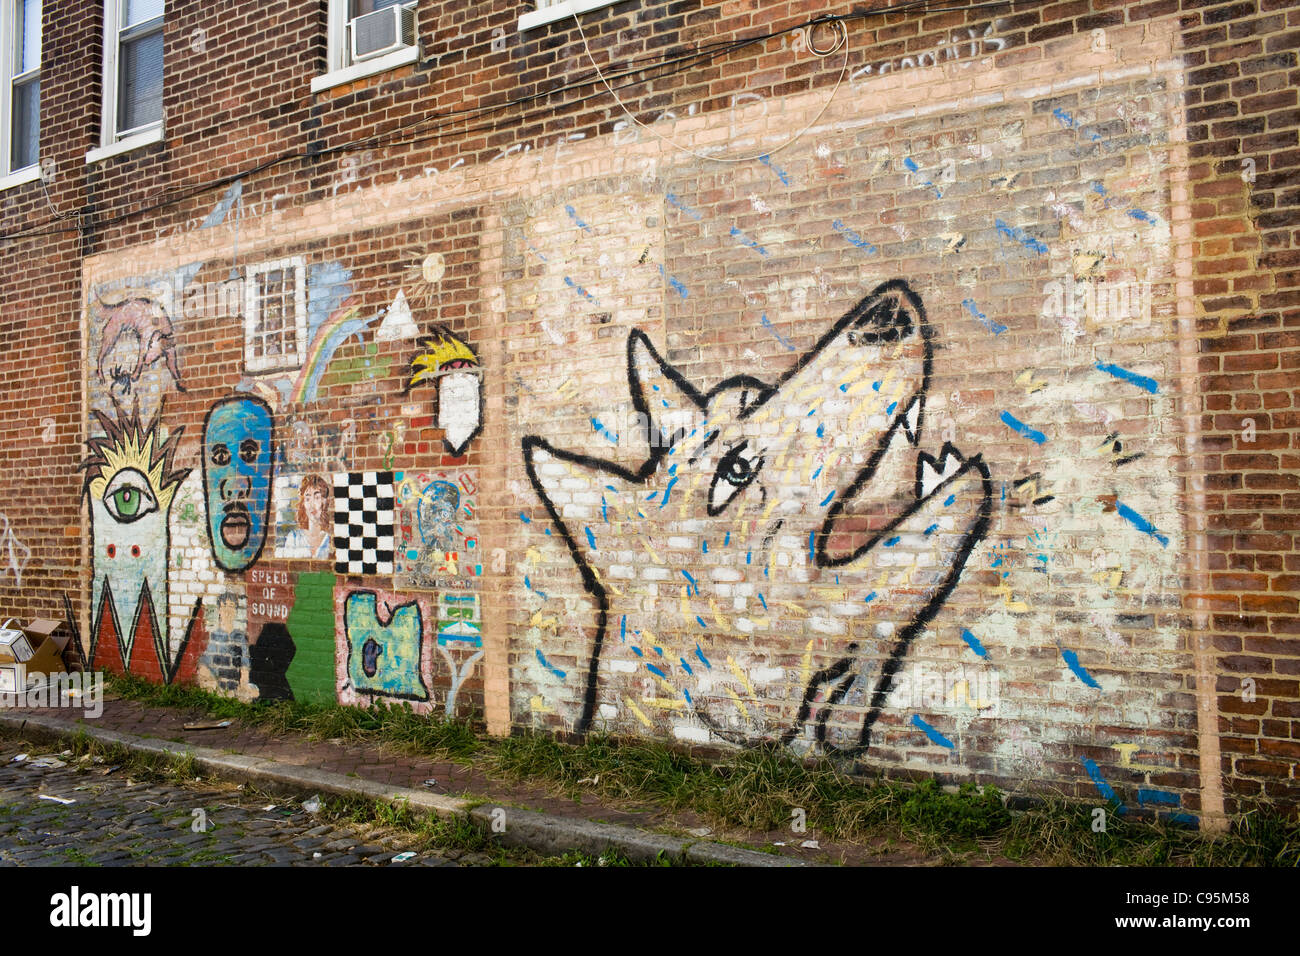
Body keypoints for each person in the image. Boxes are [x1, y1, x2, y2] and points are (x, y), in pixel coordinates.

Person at [282, 474, 331, 559]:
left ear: (324, 502)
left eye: (317, 497)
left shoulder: (329, 539)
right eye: (307, 499)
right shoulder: (294, 538)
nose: (312, 504)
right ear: (303, 504)